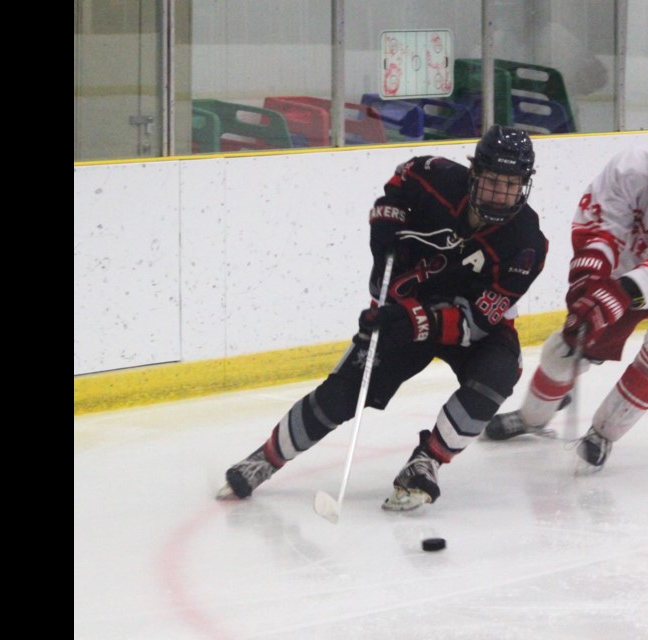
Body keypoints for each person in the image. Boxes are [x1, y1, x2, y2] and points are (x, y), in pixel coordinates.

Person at [217, 125, 548, 510]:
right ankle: (265, 458)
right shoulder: (433, 176)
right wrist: (385, 228)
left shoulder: (527, 242)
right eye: (492, 181)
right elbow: (397, 186)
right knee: (341, 393)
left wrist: (415, 322)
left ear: (524, 186)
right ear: (474, 173)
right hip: (409, 302)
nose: (500, 193)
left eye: (511, 184)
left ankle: (427, 461)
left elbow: (480, 320)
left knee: (499, 373)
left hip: (467, 325)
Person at [483, 113, 648, 475]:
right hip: (631, 271)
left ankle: (604, 434)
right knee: (566, 347)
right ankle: (532, 417)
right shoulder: (628, 169)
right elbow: (601, 228)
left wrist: (613, 297)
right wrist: (588, 281)